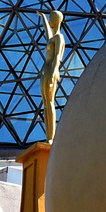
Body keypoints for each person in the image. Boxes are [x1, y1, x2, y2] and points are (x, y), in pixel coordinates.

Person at [39, 11, 64, 141]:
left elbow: (58, 56)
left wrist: (54, 73)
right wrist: (42, 16)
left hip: (51, 70)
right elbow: (47, 32)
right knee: (45, 102)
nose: (49, 22)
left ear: (56, 20)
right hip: (45, 69)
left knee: (49, 101)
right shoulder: (52, 38)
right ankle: (48, 135)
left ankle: (51, 137)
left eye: (50, 19)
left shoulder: (59, 37)